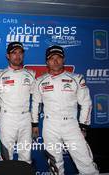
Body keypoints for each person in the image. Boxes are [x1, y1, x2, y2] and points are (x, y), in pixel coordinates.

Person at [31, 45, 99, 174]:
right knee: (55, 165)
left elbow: (86, 103)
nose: (55, 61)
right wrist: (34, 124)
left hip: (72, 125)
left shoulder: (76, 78)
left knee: (86, 163)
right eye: (52, 58)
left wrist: (83, 125)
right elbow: (35, 104)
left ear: (64, 60)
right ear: (47, 61)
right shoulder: (39, 81)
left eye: (58, 58)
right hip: (50, 126)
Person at [0, 42, 35, 163]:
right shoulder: (0, 75)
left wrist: (34, 122)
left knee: (26, 155)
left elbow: (37, 99)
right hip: (7, 117)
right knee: (5, 156)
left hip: (25, 117)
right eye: (14, 53)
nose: (17, 56)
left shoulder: (31, 75)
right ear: (7, 56)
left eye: (20, 52)